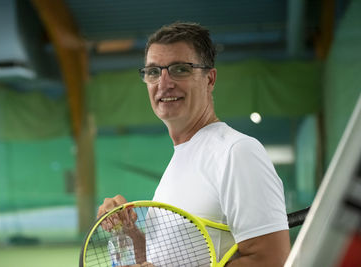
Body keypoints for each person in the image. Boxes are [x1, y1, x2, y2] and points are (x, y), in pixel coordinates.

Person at [98, 22, 291, 266]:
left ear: (209, 79)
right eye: (153, 72)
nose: (164, 83)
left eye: (180, 69)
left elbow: (271, 260)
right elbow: (163, 260)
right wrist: (130, 232)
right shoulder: (181, 158)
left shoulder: (236, 152)